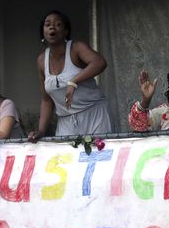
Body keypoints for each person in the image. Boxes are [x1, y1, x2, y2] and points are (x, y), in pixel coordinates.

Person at [28, 10, 112, 140]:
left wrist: (73, 81)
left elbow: (100, 62)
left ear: (66, 31)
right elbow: (46, 100)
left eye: (58, 24)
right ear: (43, 32)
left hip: (93, 114)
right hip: (65, 121)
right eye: (48, 24)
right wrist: (41, 131)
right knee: (66, 159)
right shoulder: (41, 60)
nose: (52, 27)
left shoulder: (76, 48)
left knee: (98, 158)